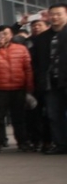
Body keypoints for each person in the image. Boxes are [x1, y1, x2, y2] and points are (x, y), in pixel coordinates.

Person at [0, 24, 33, 153]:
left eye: (6, 34)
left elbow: (28, 68)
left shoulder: (21, 49)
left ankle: (22, 142)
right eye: (0, 34)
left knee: (19, 118)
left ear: (11, 35)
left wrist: (29, 88)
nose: (3, 37)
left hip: (18, 87)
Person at [43, 3, 67, 154]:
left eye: (59, 14)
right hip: (51, 83)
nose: (55, 17)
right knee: (54, 115)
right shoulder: (43, 38)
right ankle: (60, 144)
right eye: (52, 14)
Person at [27, 13, 52, 151]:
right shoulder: (29, 42)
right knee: (35, 113)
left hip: (51, 81)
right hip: (34, 82)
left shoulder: (53, 38)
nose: (36, 28)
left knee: (51, 112)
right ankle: (40, 140)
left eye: (39, 25)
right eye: (33, 25)